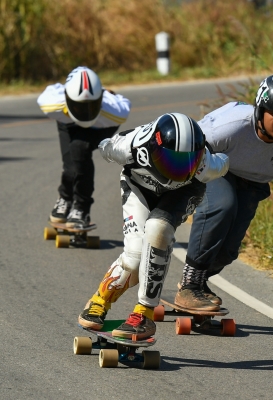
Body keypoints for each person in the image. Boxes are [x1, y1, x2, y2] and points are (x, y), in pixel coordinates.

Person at [78, 112, 229, 340]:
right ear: (152, 150)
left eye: (188, 162)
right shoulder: (127, 148)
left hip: (185, 192)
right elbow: (105, 147)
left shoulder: (207, 164)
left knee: (158, 229)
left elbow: (226, 162)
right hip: (137, 187)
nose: (179, 170)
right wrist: (105, 144)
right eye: (172, 161)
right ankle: (100, 298)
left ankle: (144, 313)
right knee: (135, 256)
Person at [175, 73, 273, 309]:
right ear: (260, 111)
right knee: (222, 205)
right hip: (213, 164)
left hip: (253, 181)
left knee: (228, 251)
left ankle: (197, 283)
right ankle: (190, 286)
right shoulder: (229, 128)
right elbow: (189, 149)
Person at [37, 66, 131, 228]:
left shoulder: (115, 111)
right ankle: (65, 199)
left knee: (79, 150)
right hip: (68, 123)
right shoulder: (52, 104)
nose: (85, 112)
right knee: (70, 167)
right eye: (79, 107)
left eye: (90, 106)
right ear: (66, 98)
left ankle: (81, 208)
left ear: (100, 100)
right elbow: (52, 90)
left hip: (101, 124)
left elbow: (124, 104)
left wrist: (108, 95)